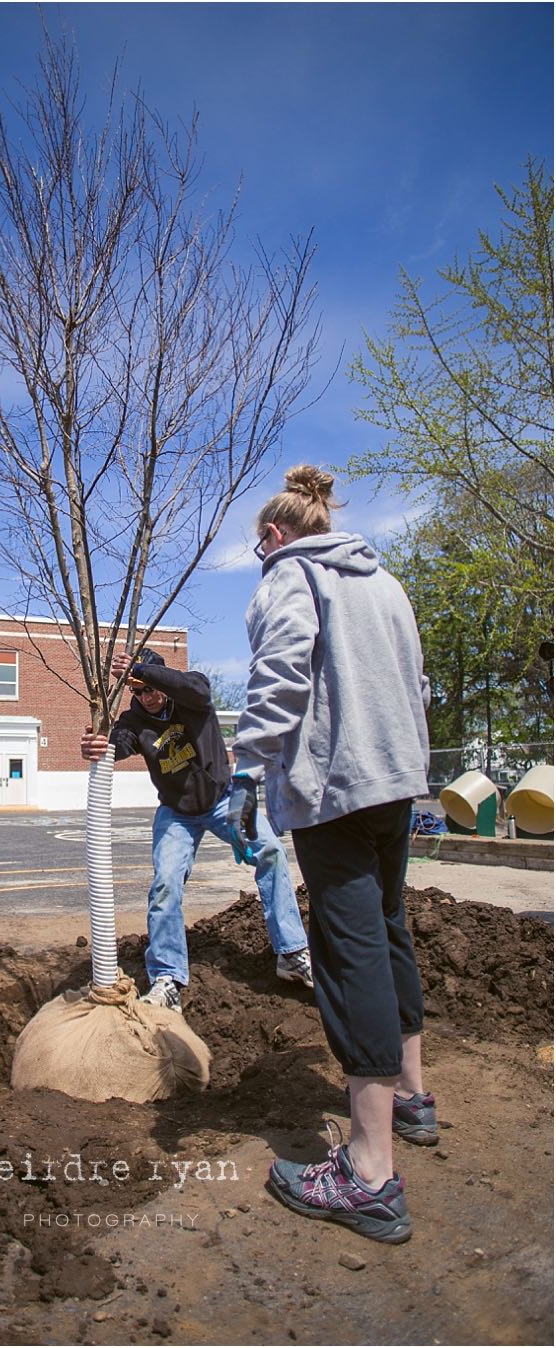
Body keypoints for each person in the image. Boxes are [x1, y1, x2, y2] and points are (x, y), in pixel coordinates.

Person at [230, 464, 435, 1245]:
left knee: (349, 955)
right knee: (388, 932)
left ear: (276, 534)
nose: (259, 553)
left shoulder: (290, 575)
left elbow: (278, 674)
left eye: (259, 543)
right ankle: (413, 1098)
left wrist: (249, 767)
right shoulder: (386, 582)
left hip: (336, 791)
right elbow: (415, 685)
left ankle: (369, 1174)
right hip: (393, 784)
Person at [81, 648, 312, 1013]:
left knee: (270, 851)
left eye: (153, 687)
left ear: (163, 682)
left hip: (224, 798)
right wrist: (101, 745)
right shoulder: (132, 721)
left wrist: (141, 670)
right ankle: (167, 977)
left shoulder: (192, 696)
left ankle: (291, 952)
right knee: (165, 885)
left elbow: (197, 690)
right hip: (177, 812)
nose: (149, 697)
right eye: (140, 691)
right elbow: (120, 742)